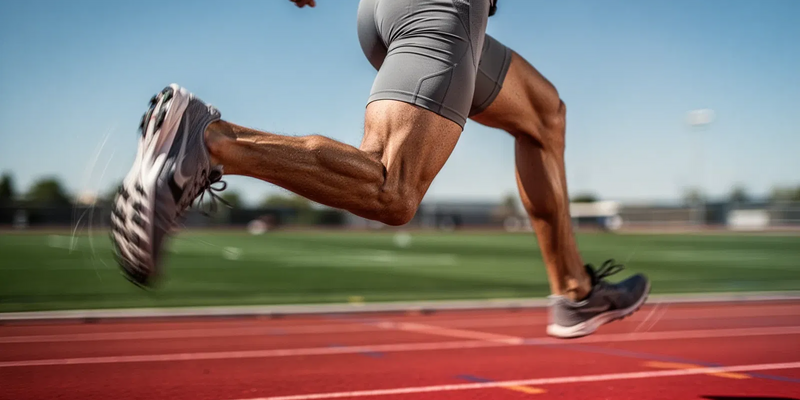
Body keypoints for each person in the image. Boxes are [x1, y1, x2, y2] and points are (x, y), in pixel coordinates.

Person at [110, 0, 649, 338]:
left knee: (545, 114)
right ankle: (209, 140)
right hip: (443, 8)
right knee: (393, 187)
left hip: (399, 12)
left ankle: (574, 293)